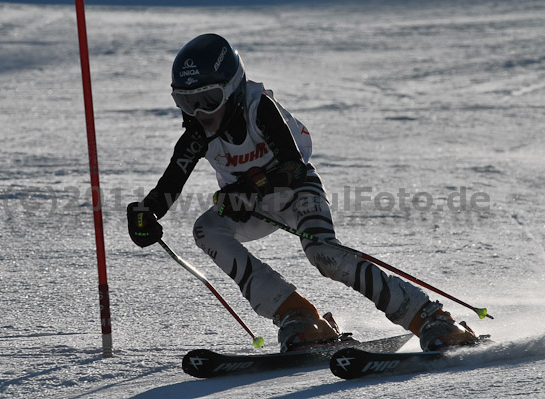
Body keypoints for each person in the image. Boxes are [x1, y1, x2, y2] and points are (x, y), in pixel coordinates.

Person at [127, 33, 478, 352]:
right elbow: (170, 185)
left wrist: (246, 190)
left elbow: (292, 167)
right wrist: (146, 213)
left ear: (233, 88)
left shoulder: (258, 108)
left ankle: (431, 318)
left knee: (324, 253)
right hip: (253, 205)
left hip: (297, 191)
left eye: (209, 98)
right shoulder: (197, 133)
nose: (200, 112)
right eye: (187, 102)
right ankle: (298, 315)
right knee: (207, 229)